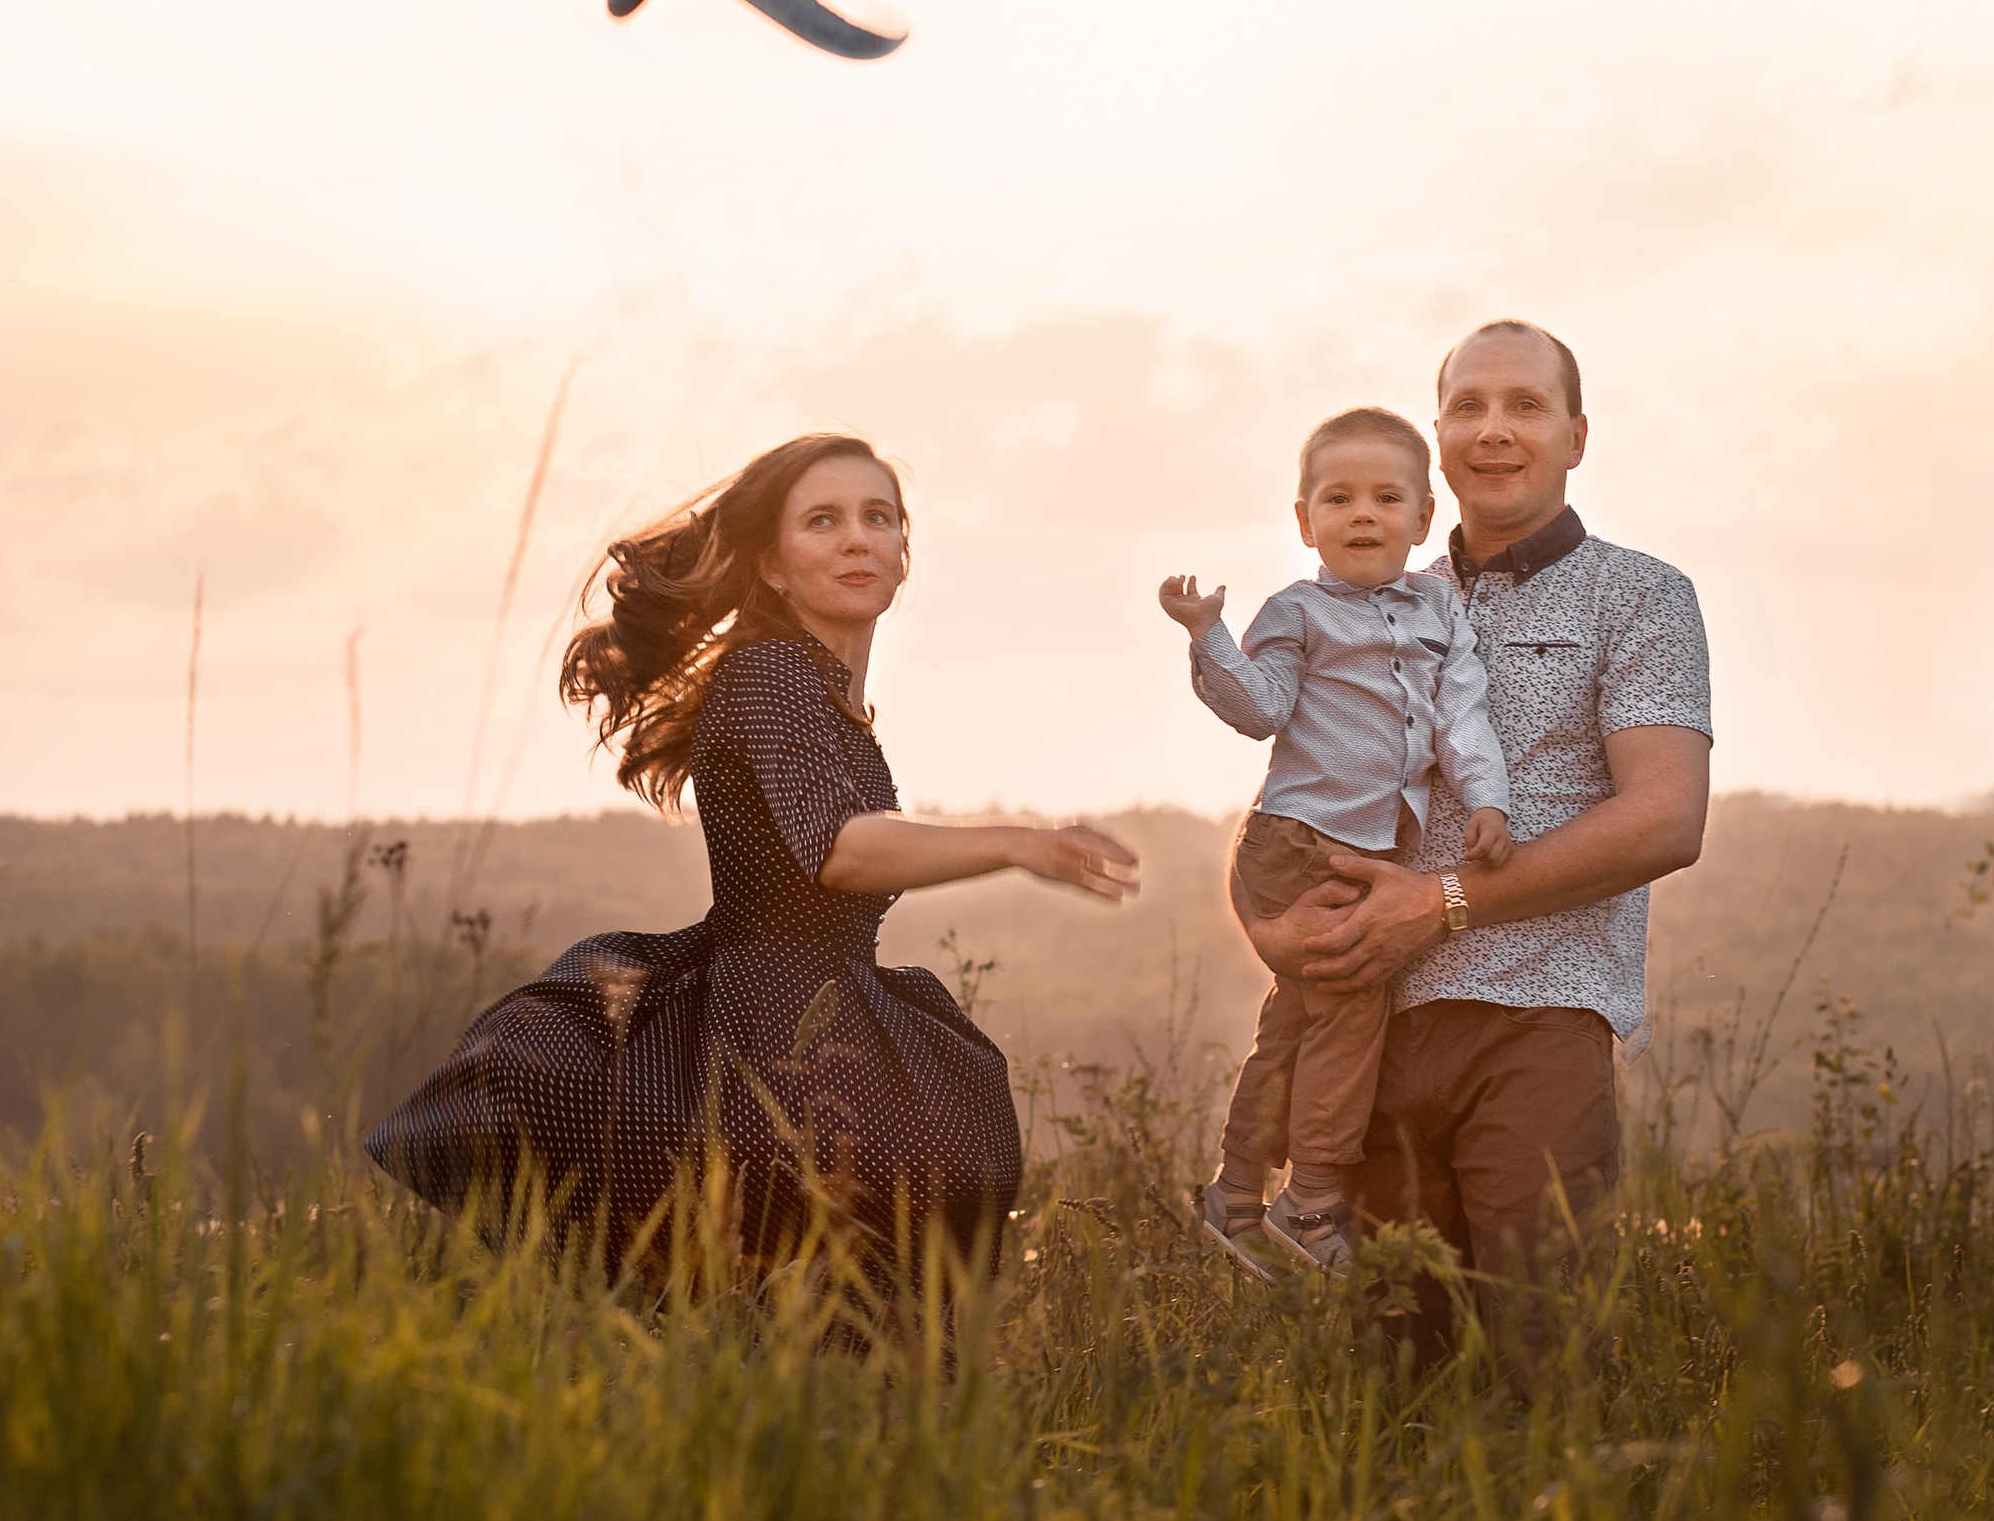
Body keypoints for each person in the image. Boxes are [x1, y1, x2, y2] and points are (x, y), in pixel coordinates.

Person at [366, 433, 1138, 1282]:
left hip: (823, 1004)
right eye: (823, 520)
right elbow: (836, 849)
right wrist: (1020, 843)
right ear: (771, 566)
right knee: (808, 1278)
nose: (857, 537)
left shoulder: (826, 696)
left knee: (841, 1281)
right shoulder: (770, 673)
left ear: (903, 552)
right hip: (761, 1026)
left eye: (878, 517)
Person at [1236, 322, 1711, 1362]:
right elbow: (1300, 793)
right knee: (1393, 1368)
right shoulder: (1357, 591)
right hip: (1367, 1026)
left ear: (1577, 436)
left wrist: (1438, 900)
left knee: (1540, 1353)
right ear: (1436, 442)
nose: (1494, 430)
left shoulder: (1643, 596)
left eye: (1526, 407)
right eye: (1468, 408)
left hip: (1538, 1021)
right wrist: (1279, 932)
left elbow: (1664, 818)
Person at [1159, 407, 1513, 1275]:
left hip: (1368, 849)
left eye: (1387, 497)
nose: (1363, 515)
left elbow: (1462, 710)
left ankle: (1235, 1190)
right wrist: (1206, 633)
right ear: (1304, 519)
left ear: (1425, 519)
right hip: (1297, 843)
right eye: (1339, 497)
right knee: (1353, 1006)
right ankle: (1313, 1197)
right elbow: (1260, 709)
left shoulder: (1439, 608)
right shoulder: (1301, 612)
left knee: (1296, 1018)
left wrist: (1487, 797)